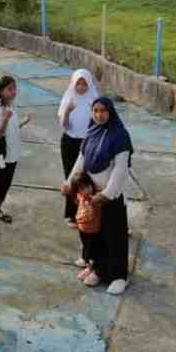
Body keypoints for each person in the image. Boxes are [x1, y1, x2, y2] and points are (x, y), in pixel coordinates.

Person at [62, 97, 134, 295]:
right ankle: (99, 269)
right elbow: (82, 159)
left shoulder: (120, 136)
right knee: (95, 235)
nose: (99, 114)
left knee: (114, 236)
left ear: (110, 112)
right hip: (91, 195)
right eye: (95, 110)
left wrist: (107, 194)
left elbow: (120, 169)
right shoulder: (92, 131)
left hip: (111, 197)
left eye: (103, 110)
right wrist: (69, 183)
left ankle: (119, 276)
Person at [0, 76, 31, 223]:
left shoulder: (10, 106)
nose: (13, 92)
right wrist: (5, 119)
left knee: (6, 184)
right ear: (1, 91)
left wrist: (23, 122)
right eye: (9, 89)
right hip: (2, 156)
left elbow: (13, 128)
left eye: (14, 88)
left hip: (12, 153)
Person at [58, 69, 100, 230]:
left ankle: (87, 211)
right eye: (78, 84)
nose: (81, 87)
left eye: (84, 84)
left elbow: (99, 123)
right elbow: (65, 125)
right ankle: (70, 214)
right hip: (70, 142)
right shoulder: (69, 98)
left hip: (88, 143)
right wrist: (68, 111)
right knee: (71, 177)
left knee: (87, 180)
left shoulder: (94, 100)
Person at [69, 172, 102, 283]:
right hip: (83, 228)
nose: (86, 191)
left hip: (93, 230)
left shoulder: (95, 199)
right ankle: (87, 264)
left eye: (87, 186)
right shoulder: (80, 196)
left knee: (93, 252)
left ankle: (92, 269)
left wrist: (91, 201)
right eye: (82, 189)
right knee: (86, 248)